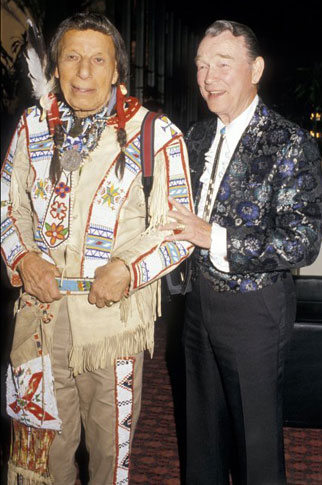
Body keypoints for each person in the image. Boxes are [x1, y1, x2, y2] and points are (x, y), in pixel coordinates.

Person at [1, 12, 193, 485]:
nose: (83, 71)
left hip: (111, 326)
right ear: (55, 68)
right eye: (71, 57)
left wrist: (127, 268)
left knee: (111, 455)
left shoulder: (155, 135)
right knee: (40, 452)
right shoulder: (31, 128)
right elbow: (8, 205)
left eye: (97, 59)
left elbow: (178, 228)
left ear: (116, 71)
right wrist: (24, 258)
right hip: (39, 319)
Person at [161, 20, 322, 485]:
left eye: (222, 63)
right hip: (196, 306)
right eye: (201, 65)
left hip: (255, 310)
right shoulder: (193, 137)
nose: (208, 76)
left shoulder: (289, 143)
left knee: (255, 443)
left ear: (255, 69)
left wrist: (212, 236)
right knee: (201, 435)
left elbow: (302, 241)